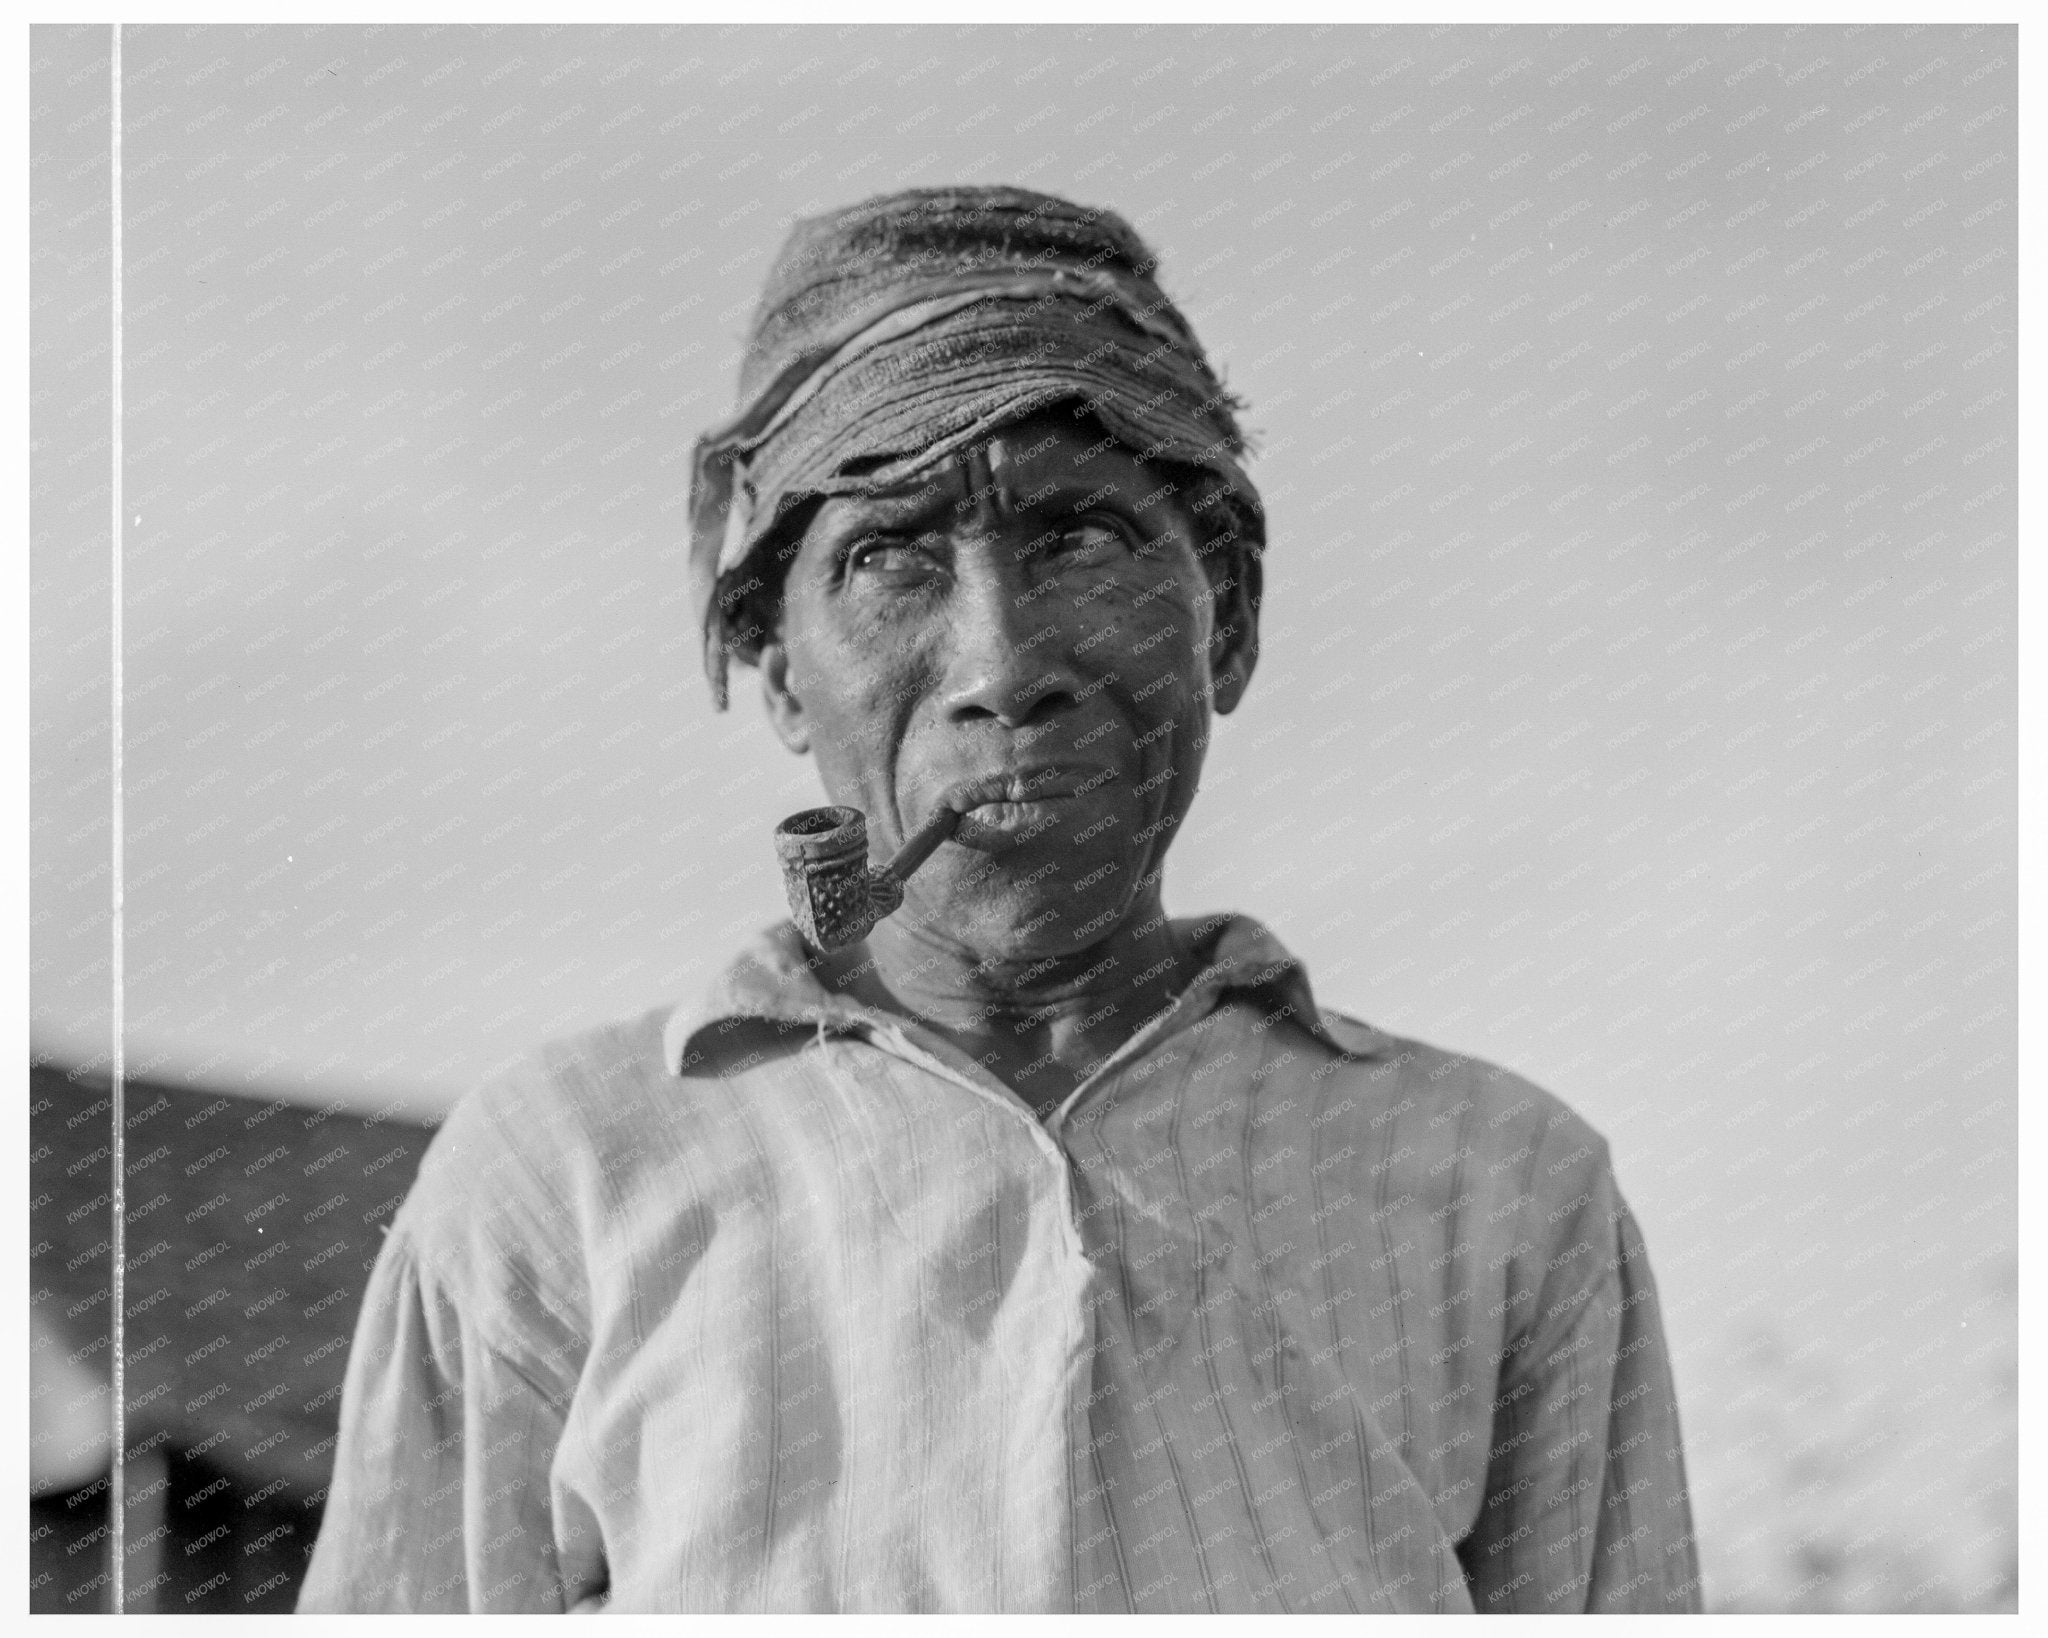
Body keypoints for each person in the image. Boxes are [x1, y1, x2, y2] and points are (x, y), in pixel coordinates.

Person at [299, 185, 1701, 1613]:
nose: (1002, 660)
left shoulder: (1501, 1185)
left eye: (1084, 539)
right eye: (889, 557)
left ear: (1230, 619)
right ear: (783, 673)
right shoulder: (564, 1173)